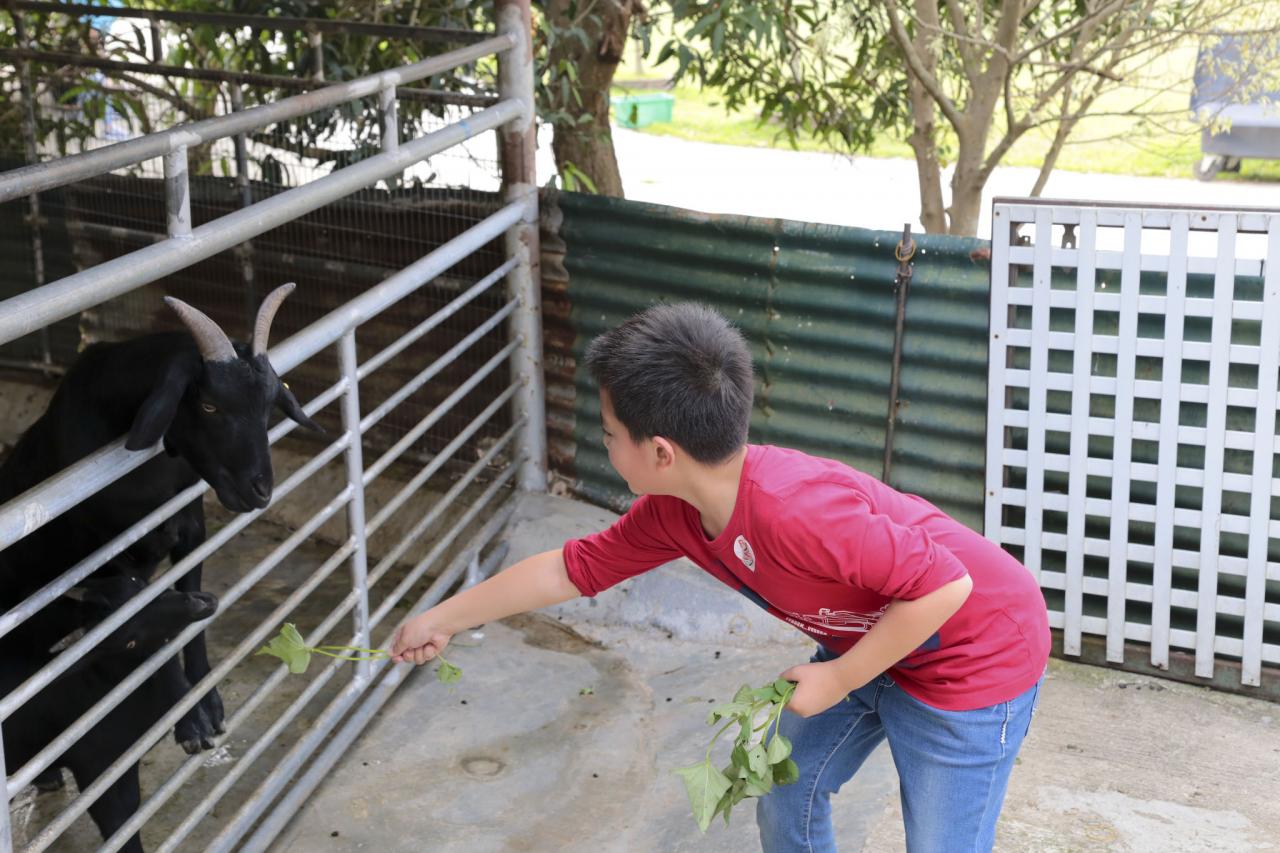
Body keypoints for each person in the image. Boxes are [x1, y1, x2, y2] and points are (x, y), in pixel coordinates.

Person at [391, 302, 1050, 852]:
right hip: (867, 639)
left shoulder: (797, 510)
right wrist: (442, 618)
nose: (605, 443)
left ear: (660, 451)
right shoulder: (674, 512)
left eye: (609, 432)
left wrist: (841, 677)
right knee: (785, 793)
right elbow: (573, 568)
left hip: (972, 656)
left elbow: (946, 585)